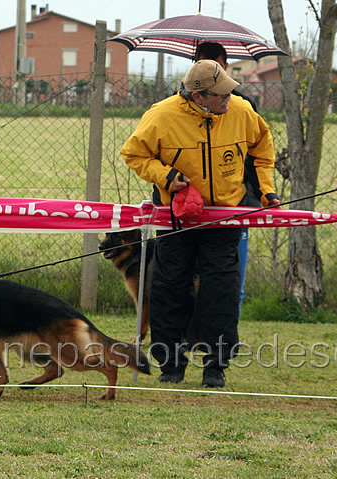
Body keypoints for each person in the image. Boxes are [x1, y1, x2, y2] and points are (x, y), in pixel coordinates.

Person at [121, 59, 277, 388]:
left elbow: (262, 146)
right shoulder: (161, 115)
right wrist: (165, 177)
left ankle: (215, 366)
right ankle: (171, 364)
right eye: (221, 95)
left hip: (225, 216)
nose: (228, 100)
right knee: (169, 286)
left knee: (222, 290)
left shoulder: (242, 110)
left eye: (228, 93)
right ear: (199, 96)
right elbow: (134, 153)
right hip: (176, 218)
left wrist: (266, 190)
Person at [194, 42, 281, 318]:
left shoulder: (242, 106)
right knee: (186, 279)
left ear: (226, 66)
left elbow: (260, 154)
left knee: (231, 279)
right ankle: (192, 332)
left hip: (234, 206)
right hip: (188, 209)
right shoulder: (173, 106)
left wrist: (265, 193)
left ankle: (227, 332)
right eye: (204, 63)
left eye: (217, 65)